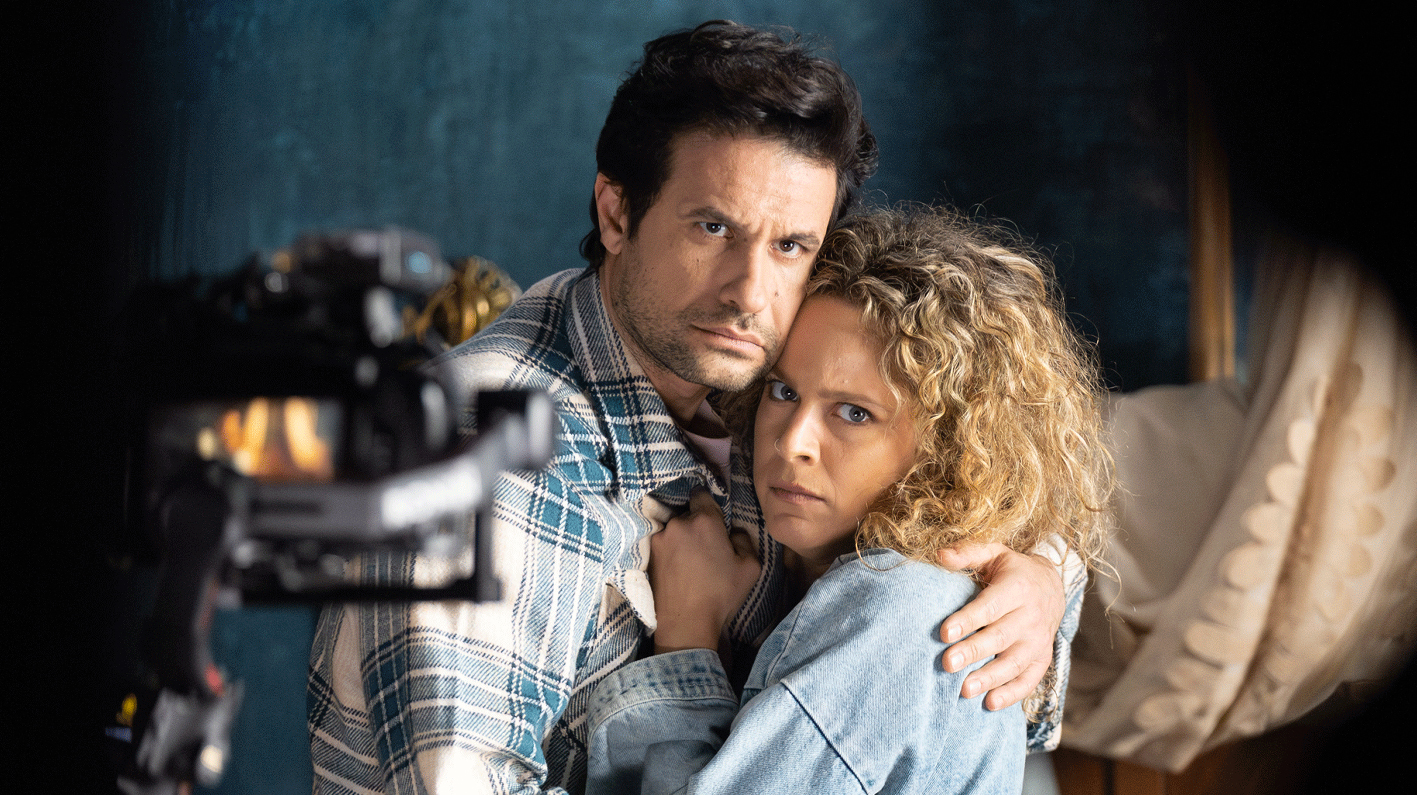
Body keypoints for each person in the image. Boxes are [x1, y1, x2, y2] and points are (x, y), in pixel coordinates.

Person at [308, 21, 1072, 794]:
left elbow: (931, 648)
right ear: (616, 214)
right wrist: (692, 650)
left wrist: (1036, 582)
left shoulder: (767, 378)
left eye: (790, 246)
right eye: (713, 228)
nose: (749, 292)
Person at [586, 205, 1112, 793]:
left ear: (949, 449)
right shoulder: (827, 556)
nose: (792, 442)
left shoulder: (895, 611)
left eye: (854, 413)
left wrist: (686, 637)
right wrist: (1046, 573)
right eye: (784, 392)